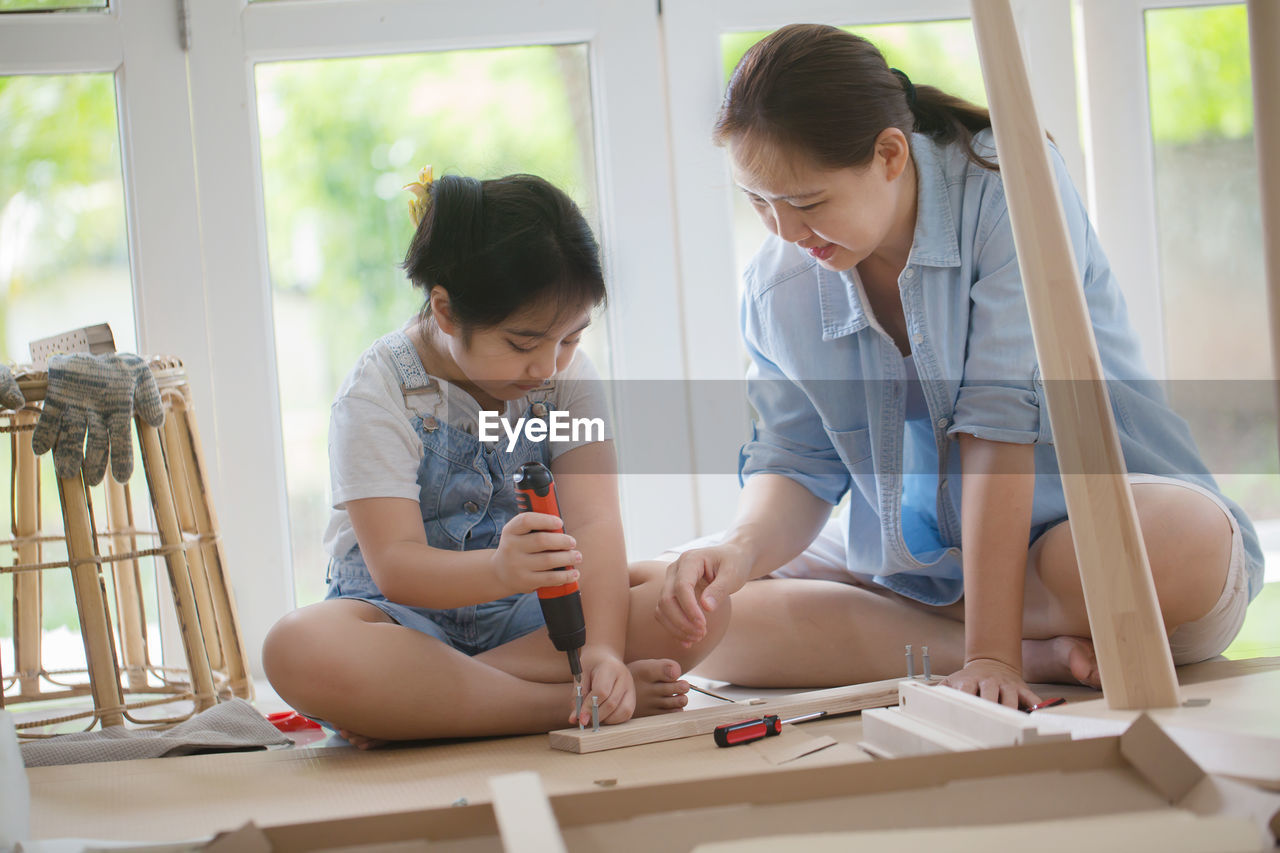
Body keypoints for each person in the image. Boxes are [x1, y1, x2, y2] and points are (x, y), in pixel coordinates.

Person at [649, 24, 1263, 708]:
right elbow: (796, 464)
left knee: (1193, 540)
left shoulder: (1010, 188)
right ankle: (1032, 655)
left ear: (889, 154)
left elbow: (999, 431)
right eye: (757, 202)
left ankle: (967, 640)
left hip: (1080, 568)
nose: (785, 234)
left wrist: (993, 655)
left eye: (806, 203)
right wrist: (740, 549)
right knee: (689, 607)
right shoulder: (777, 284)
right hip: (932, 575)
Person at [264, 171, 719, 746]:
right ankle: (560, 704)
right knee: (299, 646)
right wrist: (500, 570)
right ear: (447, 311)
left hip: (535, 619)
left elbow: (596, 523)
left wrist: (601, 648)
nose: (549, 367)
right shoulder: (377, 394)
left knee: (699, 597)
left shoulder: (568, 380)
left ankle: (427, 702)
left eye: (571, 338)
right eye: (524, 344)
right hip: (404, 619)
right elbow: (396, 567)